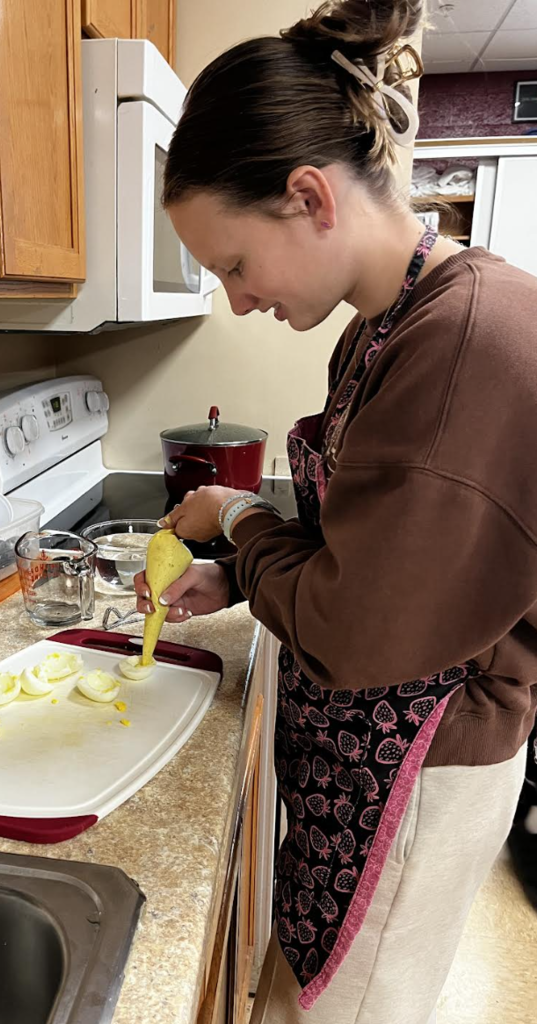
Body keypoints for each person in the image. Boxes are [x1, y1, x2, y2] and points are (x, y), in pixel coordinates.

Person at [133, 2, 537, 1021]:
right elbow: (379, 547)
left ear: (307, 196)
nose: (233, 297)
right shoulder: (385, 326)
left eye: (230, 262)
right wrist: (244, 576)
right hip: (362, 760)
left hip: (414, 769)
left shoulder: (464, 343)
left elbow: (362, 628)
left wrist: (234, 520)